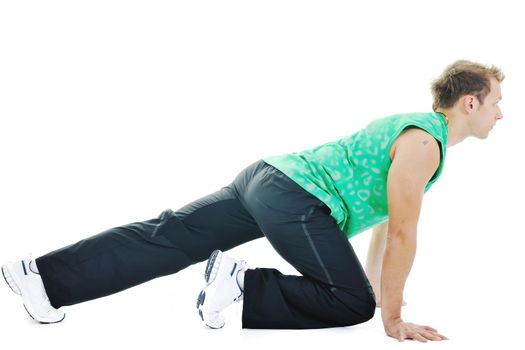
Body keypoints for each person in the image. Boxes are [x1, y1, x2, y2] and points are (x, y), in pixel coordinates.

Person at [2, 60, 503, 342]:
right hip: (297, 197)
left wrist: (386, 297)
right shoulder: (424, 143)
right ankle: (241, 283)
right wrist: (387, 316)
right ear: (470, 102)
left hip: (266, 179)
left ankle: (40, 277)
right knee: (351, 304)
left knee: (168, 237)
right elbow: (401, 233)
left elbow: (383, 229)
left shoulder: (414, 132)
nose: (500, 115)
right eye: (497, 102)